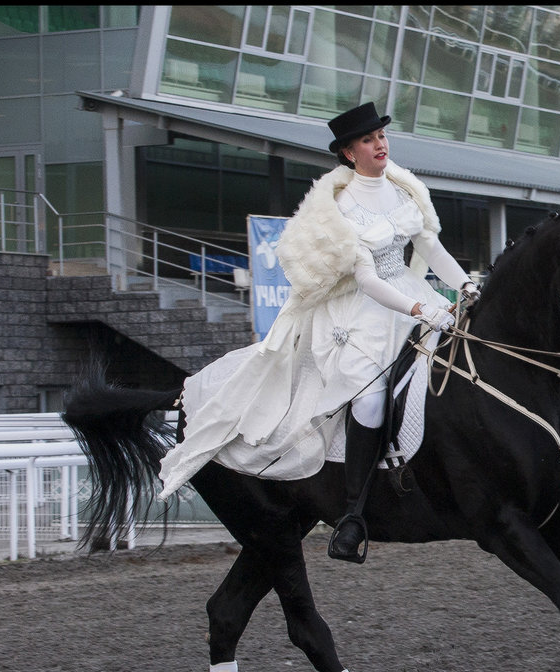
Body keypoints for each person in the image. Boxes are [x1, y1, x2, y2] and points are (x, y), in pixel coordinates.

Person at [156, 102, 479, 564]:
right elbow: (367, 280)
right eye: (368, 140)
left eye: (382, 136)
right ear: (350, 154)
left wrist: (466, 285)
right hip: (363, 310)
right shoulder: (341, 208)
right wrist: (420, 308)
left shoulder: (406, 190)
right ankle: (355, 512)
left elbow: (431, 246)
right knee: (369, 397)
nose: (380, 144)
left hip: (413, 293)